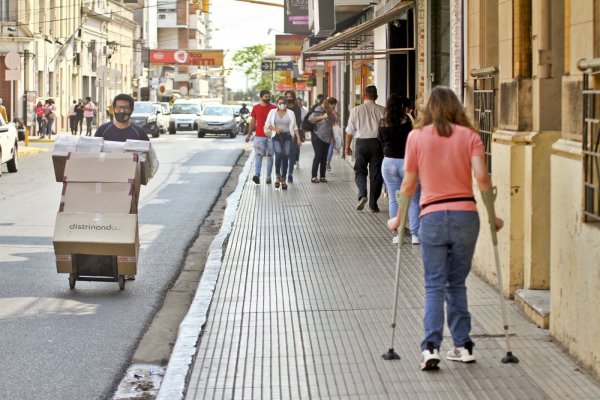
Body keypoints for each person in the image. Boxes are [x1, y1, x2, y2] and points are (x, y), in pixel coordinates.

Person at [387, 86, 504, 371]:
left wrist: (399, 218)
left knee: (434, 285)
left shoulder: (416, 137)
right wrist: (493, 216)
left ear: (427, 109)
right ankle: (463, 345)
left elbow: (408, 184)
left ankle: (430, 348)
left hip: (432, 218)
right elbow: (483, 178)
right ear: (456, 108)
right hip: (466, 216)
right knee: (457, 283)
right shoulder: (470, 137)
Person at [95, 94, 149, 281]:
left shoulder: (138, 133)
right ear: (113, 108)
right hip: (106, 184)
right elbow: (93, 156)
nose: (122, 111)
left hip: (130, 186)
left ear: (131, 111)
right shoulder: (103, 130)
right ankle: (105, 263)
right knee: (107, 223)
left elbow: (146, 161)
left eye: (126, 108)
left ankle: (127, 266)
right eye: (119, 108)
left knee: (128, 224)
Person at [378, 94, 421, 245]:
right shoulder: (407, 120)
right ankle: (415, 235)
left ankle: (398, 234)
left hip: (388, 162)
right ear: (402, 106)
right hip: (407, 162)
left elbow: (381, 140)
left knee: (394, 199)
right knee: (414, 198)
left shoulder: (383, 122)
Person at [345, 85, 386, 212]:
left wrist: (347, 146)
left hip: (361, 144)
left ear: (364, 96)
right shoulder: (383, 110)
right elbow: (386, 129)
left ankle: (362, 194)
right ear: (376, 97)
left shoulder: (356, 110)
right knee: (376, 174)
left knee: (360, 171)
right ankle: (373, 203)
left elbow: (349, 131)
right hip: (377, 144)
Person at [264, 96, 302, 190]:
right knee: (278, 154)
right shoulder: (272, 112)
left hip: (288, 136)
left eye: (284, 103)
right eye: (280, 103)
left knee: (286, 156)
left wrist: (298, 138)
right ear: (277, 103)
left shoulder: (290, 113)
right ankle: (277, 177)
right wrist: (275, 129)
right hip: (276, 136)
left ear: (287, 104)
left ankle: (284, 179)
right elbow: (267, 124)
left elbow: (295, 126)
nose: (282, 105)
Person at [245, 90, 276, 185]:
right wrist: (249, 134)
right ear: (261, 97)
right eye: (266, 96)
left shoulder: (274, 108)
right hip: (259, 136)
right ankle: (257, 175)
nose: (268, 98)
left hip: (271, 136)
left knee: (270, 156)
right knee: (259, 156)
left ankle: (268, 176)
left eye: (269, 96)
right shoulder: (256, 108)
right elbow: (253, 122)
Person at [309, 97, 337, 183]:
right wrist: (322, 116)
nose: (334, 107)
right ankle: (313, 176)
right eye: (334, 105)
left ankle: (322, 176)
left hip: (327, 137)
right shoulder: (319, 109)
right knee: (318, 155)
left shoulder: (330, 112)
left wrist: (332, 137)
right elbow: (310, 119)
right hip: (318, 136)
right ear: (329, 104)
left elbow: (331, 125)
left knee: (324, 157)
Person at [284, 90, 302, 182]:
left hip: (292, 135)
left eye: (290, 96)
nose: (288, 98)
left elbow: (297, 124)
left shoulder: (297, 109)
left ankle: (290, 174)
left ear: (293, 97)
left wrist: (297, 137)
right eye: (287, 96)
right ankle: (282, 174)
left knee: (291, 156)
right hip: (282, 135)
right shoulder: (282, 108)